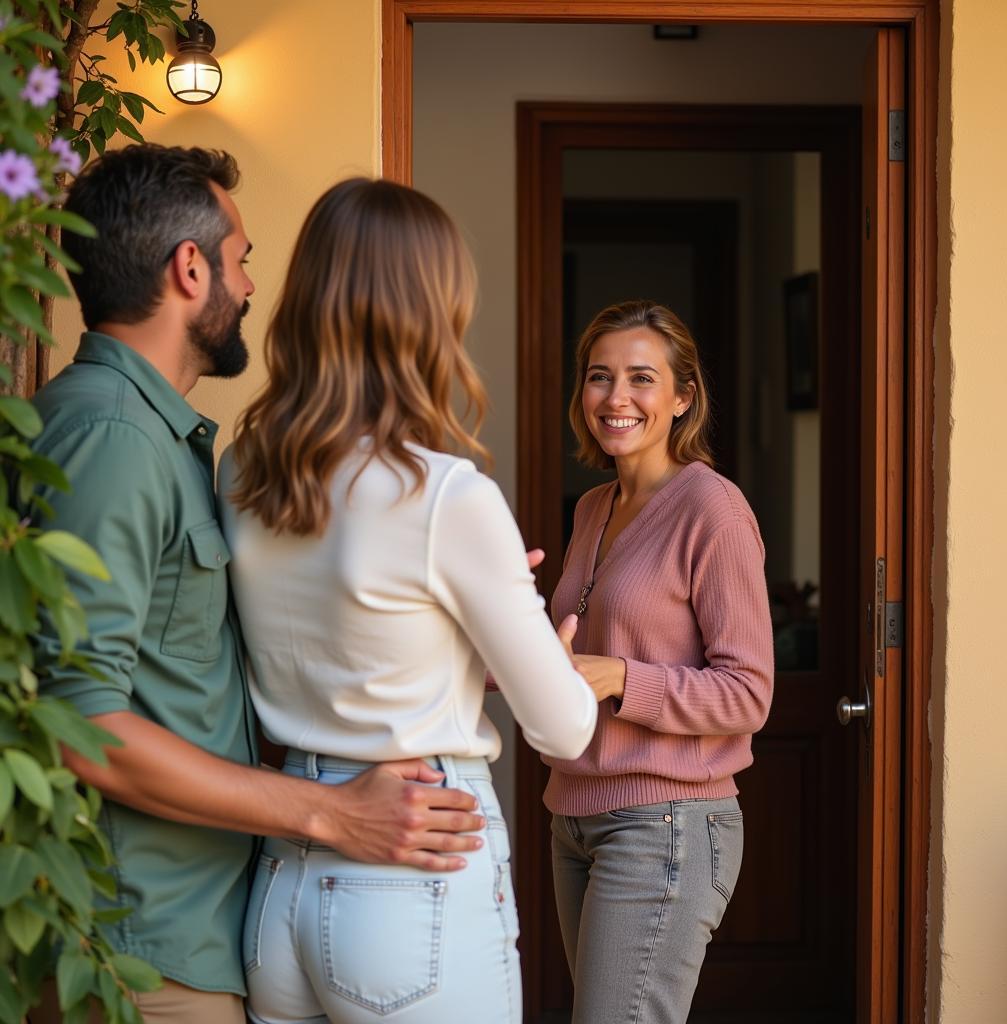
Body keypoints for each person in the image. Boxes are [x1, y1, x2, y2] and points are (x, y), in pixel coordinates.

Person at [29, 145, 492, 1024]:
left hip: (185, 932)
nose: (249, 286)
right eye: (241, 259)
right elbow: (80, 727)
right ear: (189, 268)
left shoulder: (148, 435)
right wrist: (328, 813)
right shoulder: (115, 440)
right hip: (137, 948)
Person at [218, 176, 597, 1024]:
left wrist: (464, 630)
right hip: (414, 872)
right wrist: (536, 634)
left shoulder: (242, 470)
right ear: (430, 315)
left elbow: (336, 635)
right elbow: (565, 728)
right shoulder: (446, 496)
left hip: (283, 880)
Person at [545, 300, 774, 1023]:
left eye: (641, 379)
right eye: (599, 377)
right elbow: (565, 659)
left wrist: (619, 679)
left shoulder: (714, 509)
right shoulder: (593, 507)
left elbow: (748, 693)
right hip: (573, 817)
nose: (616, 398)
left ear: (682, 397)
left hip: (665, 823)